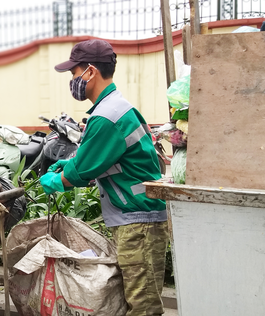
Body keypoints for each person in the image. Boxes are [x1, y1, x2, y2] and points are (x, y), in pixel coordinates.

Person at [40, 39, 169, 316]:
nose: (72, 81)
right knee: (137, 298)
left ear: (90, 72)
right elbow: (102, 159)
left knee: (143, 305)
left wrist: (58, 179)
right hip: (139, 217)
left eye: (73, 74)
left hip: (139, 221)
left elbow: (81, 172)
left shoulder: (106, 116)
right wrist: (73, 161)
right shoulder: (113, 108)